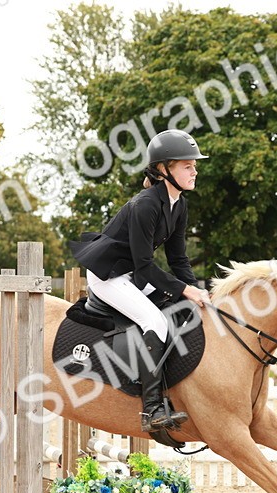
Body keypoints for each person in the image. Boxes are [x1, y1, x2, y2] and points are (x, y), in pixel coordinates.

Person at [68, 129, 212, 432]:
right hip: (108, 275)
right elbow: (147, 268)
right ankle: (152, 409)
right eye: (187, 165)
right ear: (164, 169)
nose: (194, 170)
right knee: (155, 322)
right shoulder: (145, 205)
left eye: (194, 165)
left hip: (132, 272)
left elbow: (178, 260)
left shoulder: (178, 205)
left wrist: (196, 292)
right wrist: (184, 289)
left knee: (177, 306)